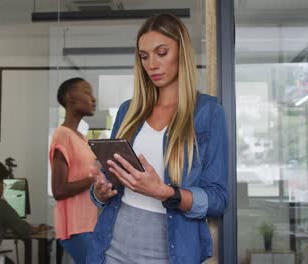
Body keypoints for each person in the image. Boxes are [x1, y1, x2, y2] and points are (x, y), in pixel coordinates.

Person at [88, 13, 228, 264]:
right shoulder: (127, 111)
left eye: (161, 53)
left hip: (170, 252)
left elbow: (217, 199)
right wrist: (101, 191)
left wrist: (165, 192)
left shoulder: (208, 113)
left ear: (181, 52)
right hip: (112, 245)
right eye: (144, 56)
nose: (152, 64)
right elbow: (109, 182)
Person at [49, 77, 100, 264]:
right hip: (74, 227)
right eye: (87, 92)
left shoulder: (82, 139)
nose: (93, 99)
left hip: (89, 224)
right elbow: (59, 190)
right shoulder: (62, 135)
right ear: (70, 97)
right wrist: (92, 181)